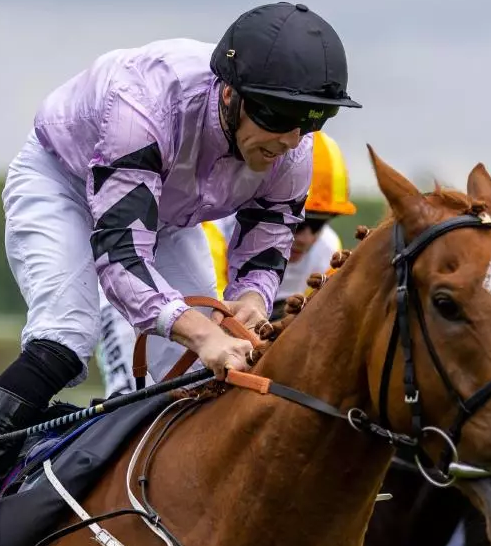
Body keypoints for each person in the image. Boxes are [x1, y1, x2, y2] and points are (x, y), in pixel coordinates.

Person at [0, 2, 361, 546]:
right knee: (67, 338)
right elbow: (120, 255)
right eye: (278, 116)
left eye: (313, 119)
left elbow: (267, 242)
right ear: (228, 95)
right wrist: (202, 330)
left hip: (171, 216)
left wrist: (250, 301)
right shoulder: (144, 98)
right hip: (65, 186)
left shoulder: (292, 150)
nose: (292, 139)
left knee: (205, 366)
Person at [97, 129, 356, 396]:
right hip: (136, 300)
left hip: (202, 326)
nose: (308, 237)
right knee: (132, 397)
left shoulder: (328, 249)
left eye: (320, 224)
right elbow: (217, 324)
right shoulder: (214, 233)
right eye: (302, 222)